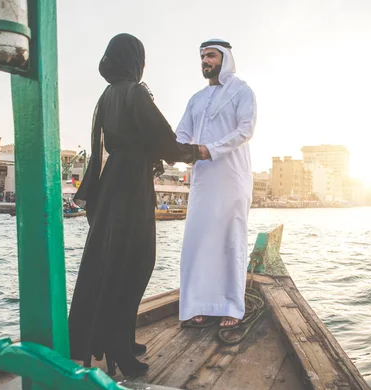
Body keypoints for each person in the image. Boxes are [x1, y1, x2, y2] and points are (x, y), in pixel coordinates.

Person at [68, 33, 200, 377]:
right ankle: (119, 351)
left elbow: (115, 143)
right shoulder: (134, 92)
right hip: (131, 186)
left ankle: (121, 338)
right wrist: (194, 153)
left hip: (113, 183)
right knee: (136, 262)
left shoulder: (107, 95)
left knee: (115, 263)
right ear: (133, 60)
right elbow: (163, 138)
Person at [176, 39, 257, 328]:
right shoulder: (196, 99)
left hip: (232, 177)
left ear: (225, 58)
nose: (205, 61)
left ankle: (232, 307)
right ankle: (197, 303)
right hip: (202, 180)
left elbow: (245, 130)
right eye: (202, 57)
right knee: (198, 239)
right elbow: (181, 134)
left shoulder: (242, 91)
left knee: (230, 239)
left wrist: (210, 149)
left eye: (210, 55)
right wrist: (170, 153)